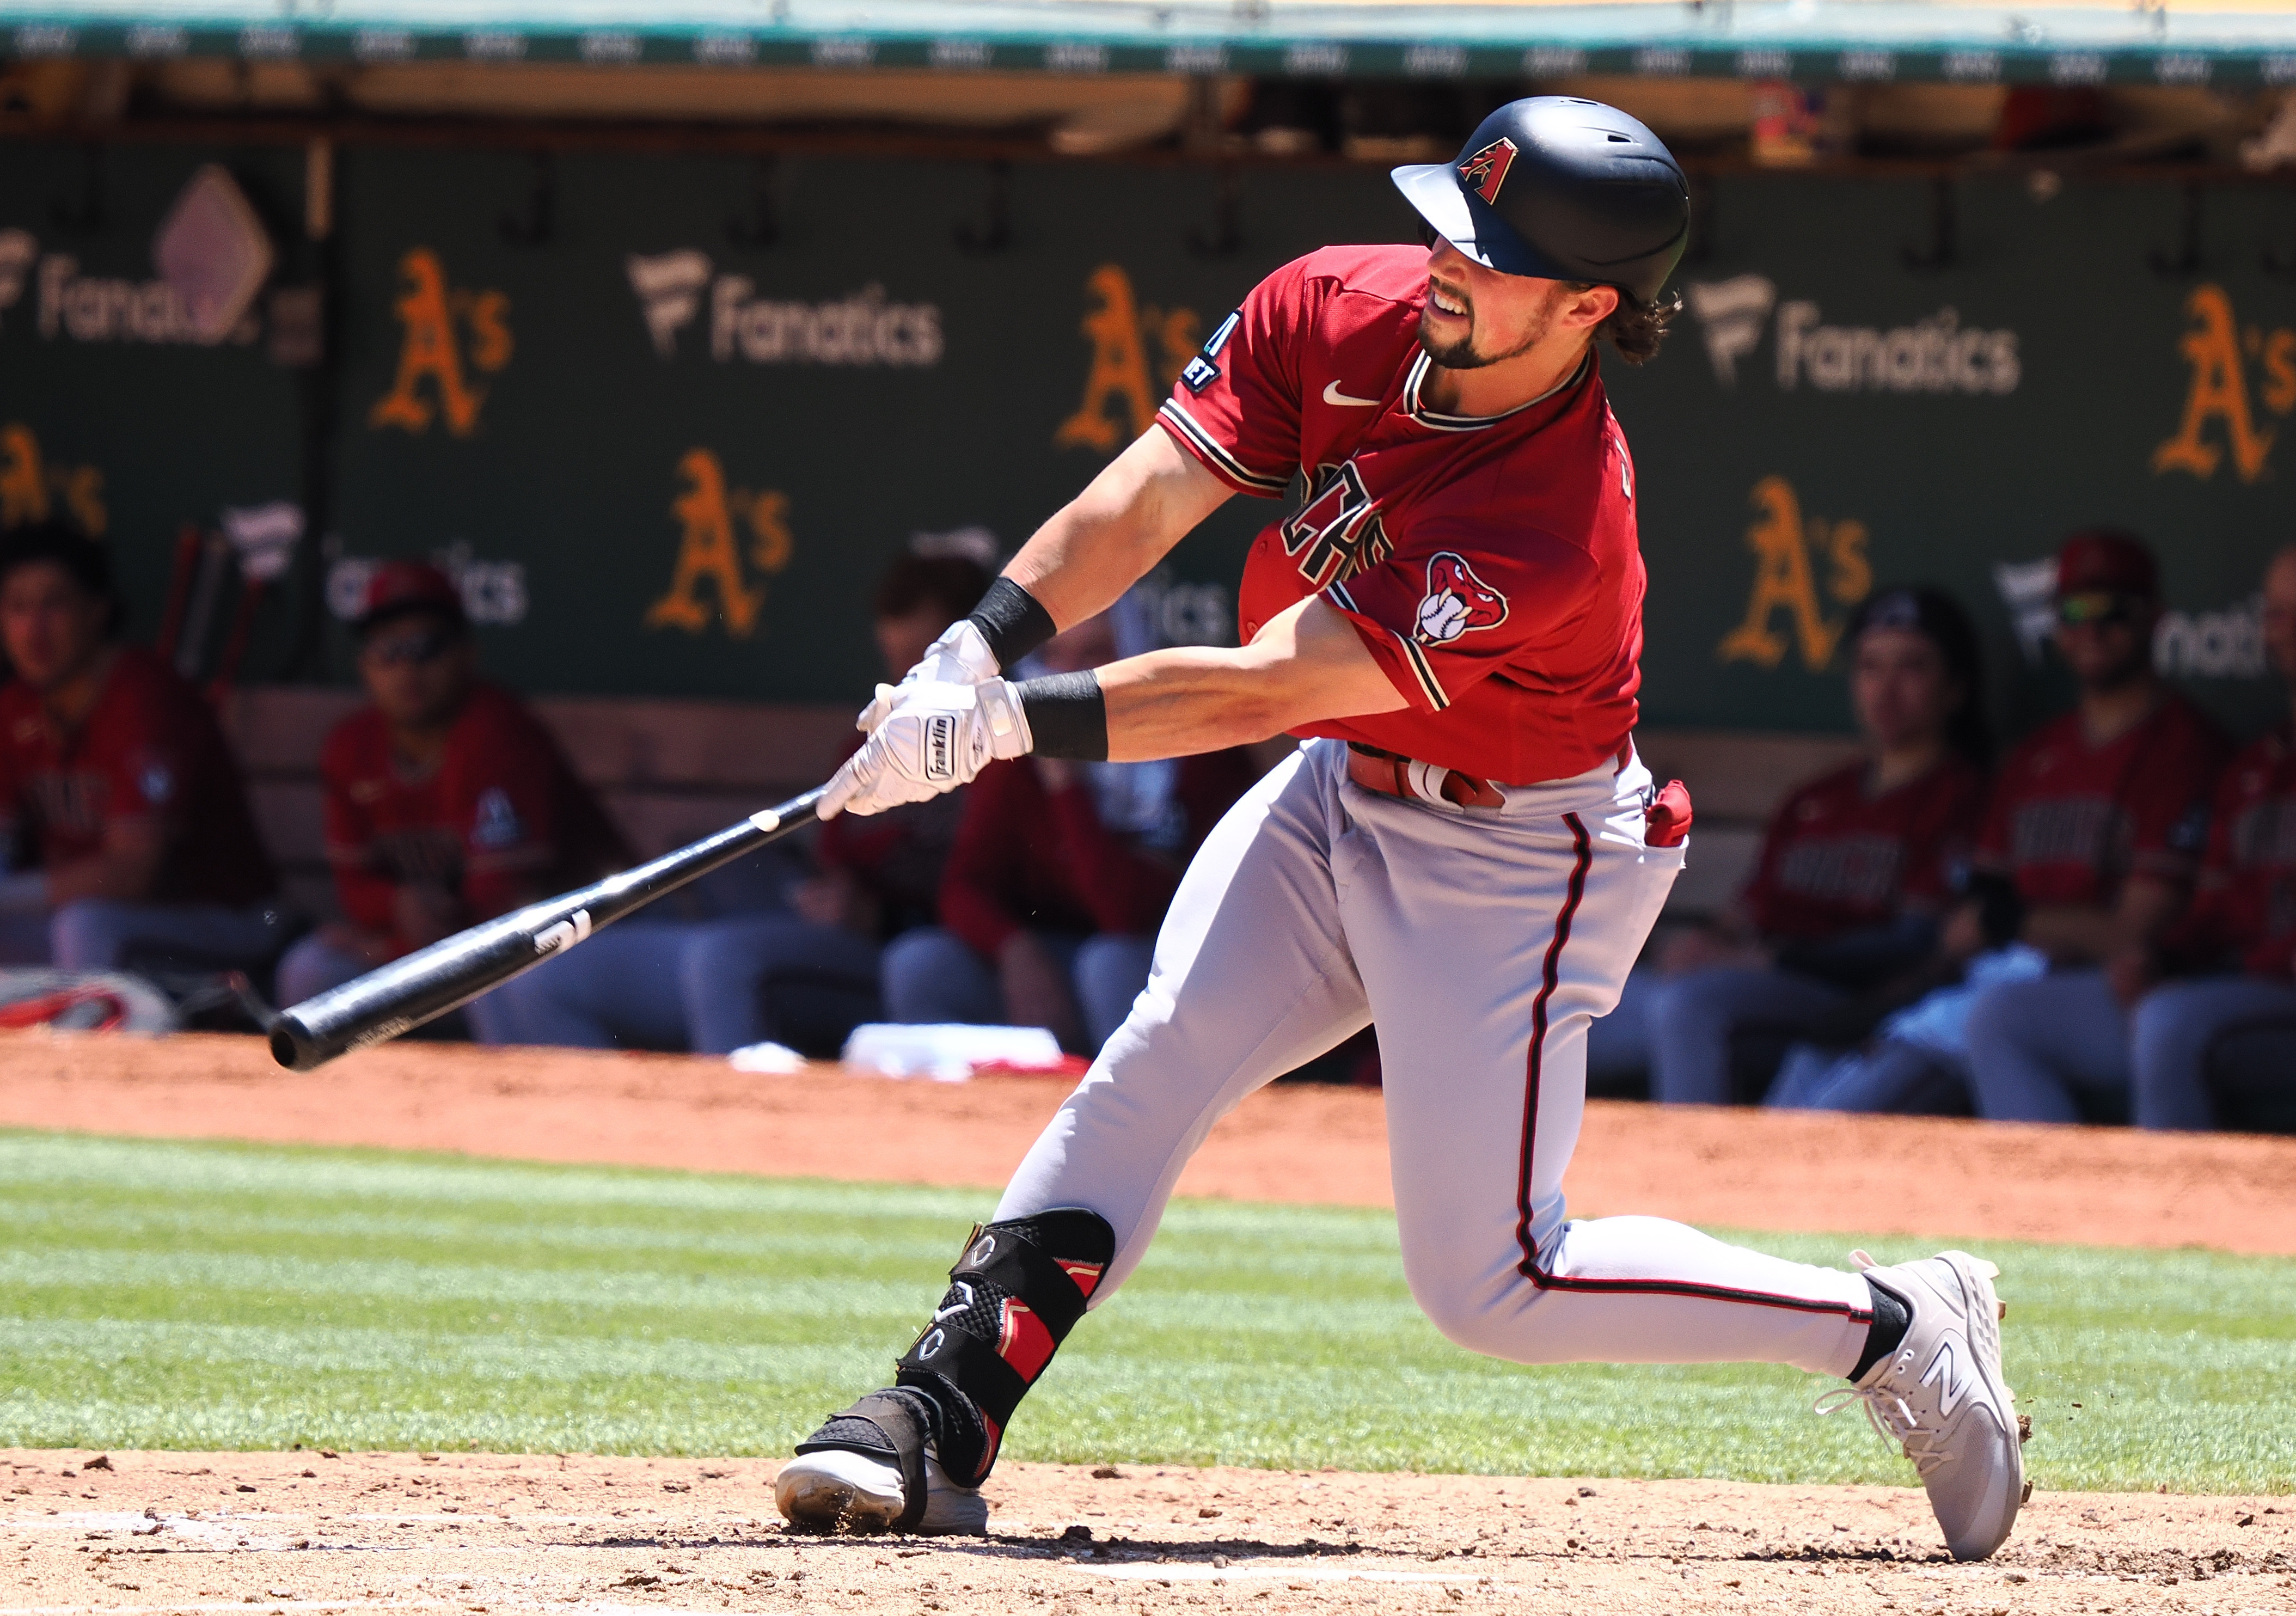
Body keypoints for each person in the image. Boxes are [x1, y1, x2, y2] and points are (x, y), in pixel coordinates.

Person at [768, 97, 2025, 1563]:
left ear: (1584, 307)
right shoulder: (1337, 301)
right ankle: (935, 1415)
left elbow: (1271, 684)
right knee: (1155, 1056)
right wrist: (978, 648)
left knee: (1492, 1283)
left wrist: (1005, 726)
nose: (1444, 256)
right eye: (1448, 217)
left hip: (1516, 858)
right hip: (1340, 792)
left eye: (1488, 250)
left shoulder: (1550, 523)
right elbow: (1152, 492)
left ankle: (1894, 1324)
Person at [493, 548, 991, 1056]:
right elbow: (832, 866)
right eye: (896, 661)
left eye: (922, 663)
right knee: (534, 970)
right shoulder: (871, 742)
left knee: (728, 956)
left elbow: (994, 896)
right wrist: (827, 894)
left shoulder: (1002, 748)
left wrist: (883, 916)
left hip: (906, 952)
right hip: (838, 939)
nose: (909, 679)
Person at [1622, 589, 1989, 1104]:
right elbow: (1748, 909)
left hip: (1853, 1001)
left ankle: (1692, 1175)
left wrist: (1773, 961)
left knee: (1689, 1005)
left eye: (1913, 668)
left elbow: (1912, 944)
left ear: (1955, 688)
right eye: (1870, 667)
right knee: (1574, 1016)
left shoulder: (1962, 796)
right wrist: (1704, 941)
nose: (1887, 689)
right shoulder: (1818, 797)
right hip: (1762, 986)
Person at [272, 561, 628, 1038]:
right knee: (312, 968)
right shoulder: (351, 746)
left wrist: (394, 942)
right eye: (388, 650)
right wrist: (397, 905)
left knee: (499, 979)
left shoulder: (497, 732)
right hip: (445, 947)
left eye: (428, 648)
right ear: (365, 666)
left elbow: (500, 902)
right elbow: (355, 887)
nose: (408, 668)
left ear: (467, 654)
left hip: (582, 935)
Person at [881, 611, 1258, 1053]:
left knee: (1108, 964)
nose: (1068, 675)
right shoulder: (1019, 750)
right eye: (1054, 655)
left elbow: (1126, 914)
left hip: (1178, 974)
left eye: (1095, 652)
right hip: (1056, 964)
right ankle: (955, 1116)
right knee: (921, 961)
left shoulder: (1198, 745)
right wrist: (1015, 950)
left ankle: (1133, 1118)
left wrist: (1067, 786)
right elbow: (963, 886)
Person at [1952, 531, 2231, 1123]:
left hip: (2120, 991)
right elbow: (1976, 905)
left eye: (2115, 611)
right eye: (2076, 611)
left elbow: (2133, 932)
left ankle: (2058, 1213)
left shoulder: (2183, 747)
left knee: (2000, 1020)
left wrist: (2015, 922)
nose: (2093, 629)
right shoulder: (2037, 755)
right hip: (2006, 976)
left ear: (2154, 620)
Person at [2022, 543, 2296, 1130]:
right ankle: (2052, 1217)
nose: (2287, 630)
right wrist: (2161, 957)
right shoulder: (2256, 769)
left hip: (2265, 995)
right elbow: (2213, 910)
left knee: (2170, 1021)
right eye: (2275, 613)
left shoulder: (2185, 746)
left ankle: (2169, 1219)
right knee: (2003, 1017)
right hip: (2251, 994)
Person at [0, 522, 285, 975]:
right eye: (17, 607)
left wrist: (5, 895)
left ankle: (93, 1048)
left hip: (228, 918)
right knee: (76, 922)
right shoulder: (15, 706)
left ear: (96, 611)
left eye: (54, 604)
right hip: (102, 917)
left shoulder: (145, 697)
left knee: (85, 926)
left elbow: (132, 874)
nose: (34, 628)